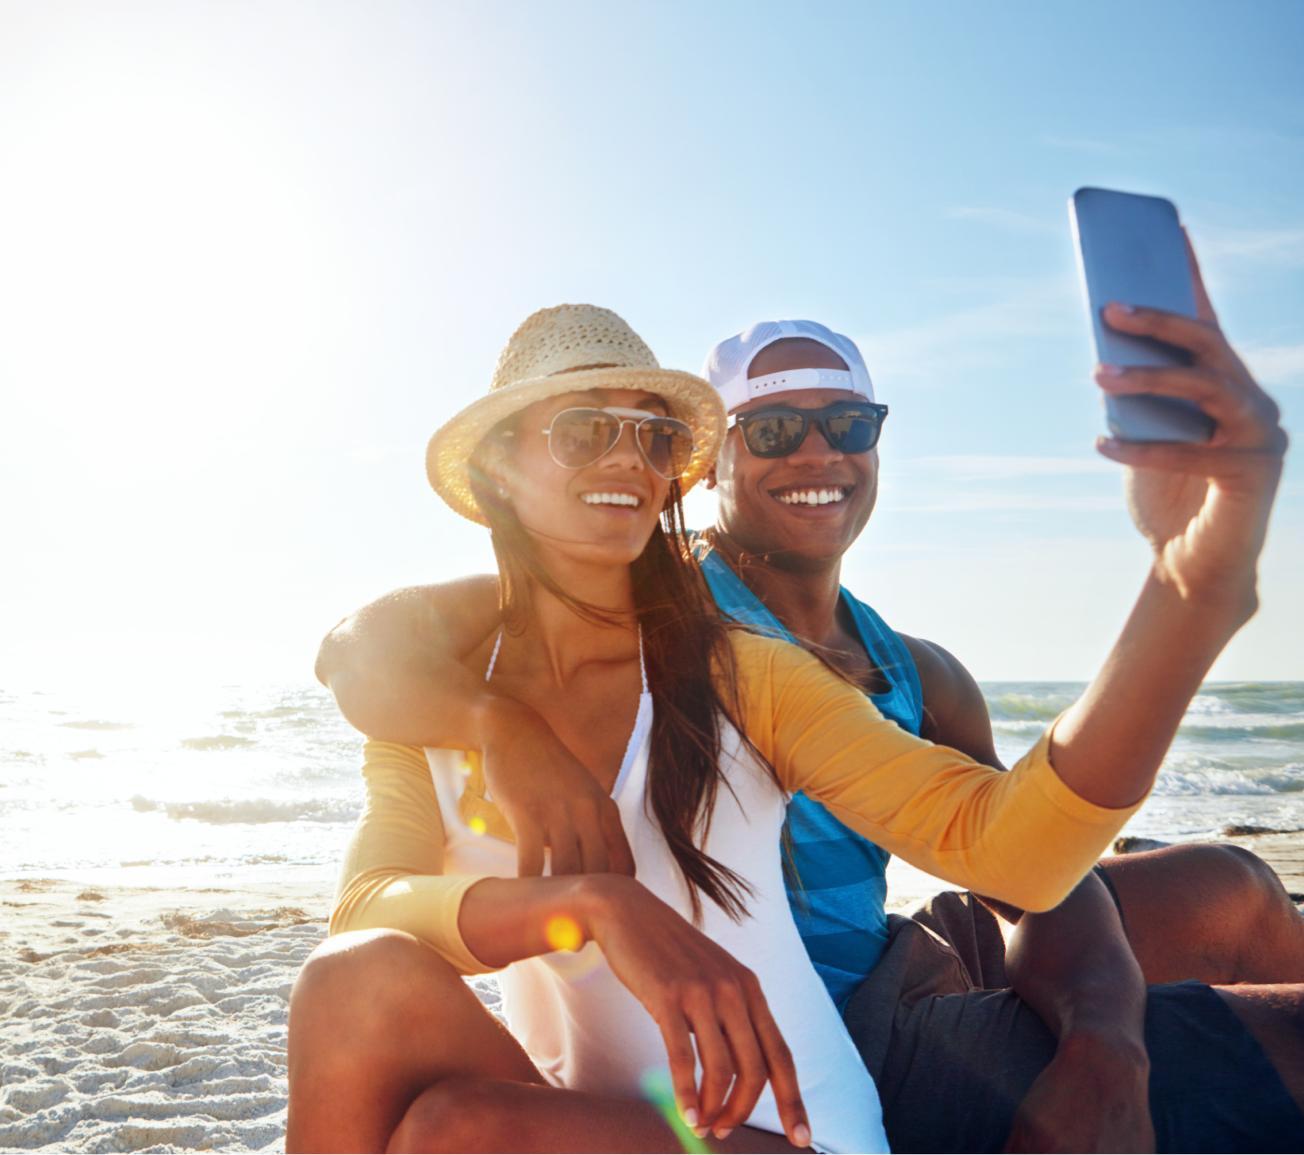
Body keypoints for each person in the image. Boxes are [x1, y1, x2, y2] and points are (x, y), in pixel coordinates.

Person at [292, 292, 1296, 1155]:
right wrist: (586, 900)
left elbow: (1008, 850)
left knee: (452, 1134)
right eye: (580, 430)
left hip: (788, 1124)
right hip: (612, 1109)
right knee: (356, 988)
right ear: (499, 468)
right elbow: (366, 907)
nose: (626, 458)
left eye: (649, 435)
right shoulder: (435, 686)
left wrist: (1189, 586)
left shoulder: (733, 666)